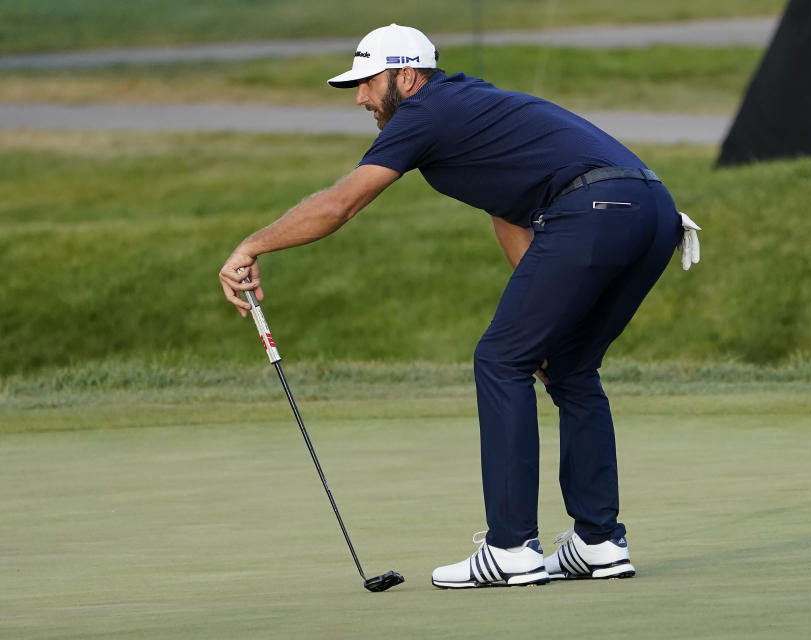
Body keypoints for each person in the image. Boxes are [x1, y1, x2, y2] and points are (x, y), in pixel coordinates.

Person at [218, 23, 701, 589]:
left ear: (406, 75)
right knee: (568, 366)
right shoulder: (473, 108)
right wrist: (545, 326)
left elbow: (341, 204)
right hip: (650, 211)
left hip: (592, 212)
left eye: (368, 84)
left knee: (500, 360)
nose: (361, 99)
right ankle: (599, 541)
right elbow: (511, 213)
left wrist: (251, 245)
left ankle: (511, 547)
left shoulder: (423, 113)